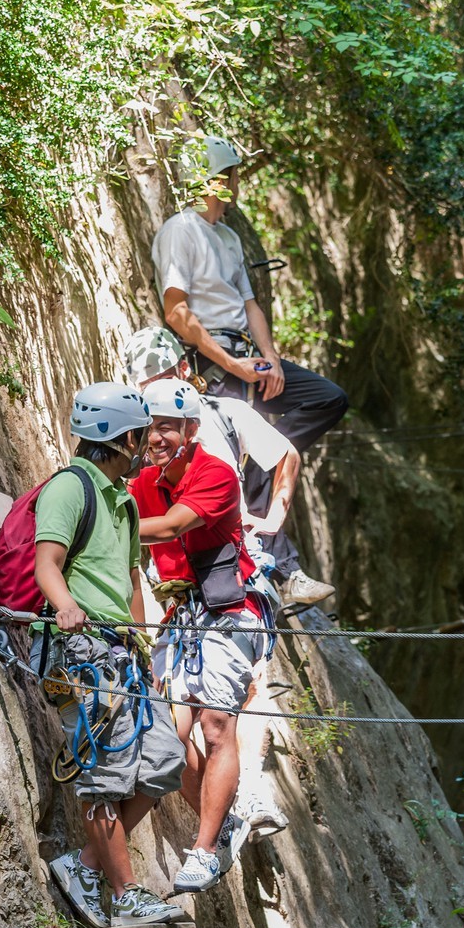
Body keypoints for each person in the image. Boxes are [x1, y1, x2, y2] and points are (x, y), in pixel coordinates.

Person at [150, 132, 349, 583]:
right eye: (234, 174)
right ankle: (279, 564)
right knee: (254, 451)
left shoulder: (229, 237)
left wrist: (270, 358)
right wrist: (234, 364)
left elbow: (250, 304)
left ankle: (262, 506)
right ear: (219, 178)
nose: (237, 182)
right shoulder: (180, 231)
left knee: (327, 398)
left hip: (244, 354)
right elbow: (177, 311)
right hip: (212, 360)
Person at [36, 383, 186, 928]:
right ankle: (123, 893)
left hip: (122, 650)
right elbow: (46, 563)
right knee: (106, 772)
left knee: (165, 758)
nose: (146, 446)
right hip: (81, 650)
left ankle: (84, 865)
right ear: (124, 436)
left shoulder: (121, 501)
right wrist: (67, 606)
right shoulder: (69, 488)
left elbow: (128, 582)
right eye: (141, 437)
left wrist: (141, 639)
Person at [129, 379, 265, 893]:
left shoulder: (216, 473)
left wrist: (103, 522)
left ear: (190, 428)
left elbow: (166, 529)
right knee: (166, 732)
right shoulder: (144, 482)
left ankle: (205, 850)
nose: (156, 437)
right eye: (150, 428)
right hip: (182, 615)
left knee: (214, 721)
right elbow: (130, 562)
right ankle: (224, 819)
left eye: (166, 426)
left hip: (232, 609)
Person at [122, 325, 335, 609]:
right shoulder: (143, 434)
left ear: (184, 368)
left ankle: (288, 574)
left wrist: (273, 518)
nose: (161, 390)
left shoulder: (225, 412)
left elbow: (288, 454)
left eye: (165, 378)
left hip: (229, 561)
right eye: (150, 385)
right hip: (174, 571)